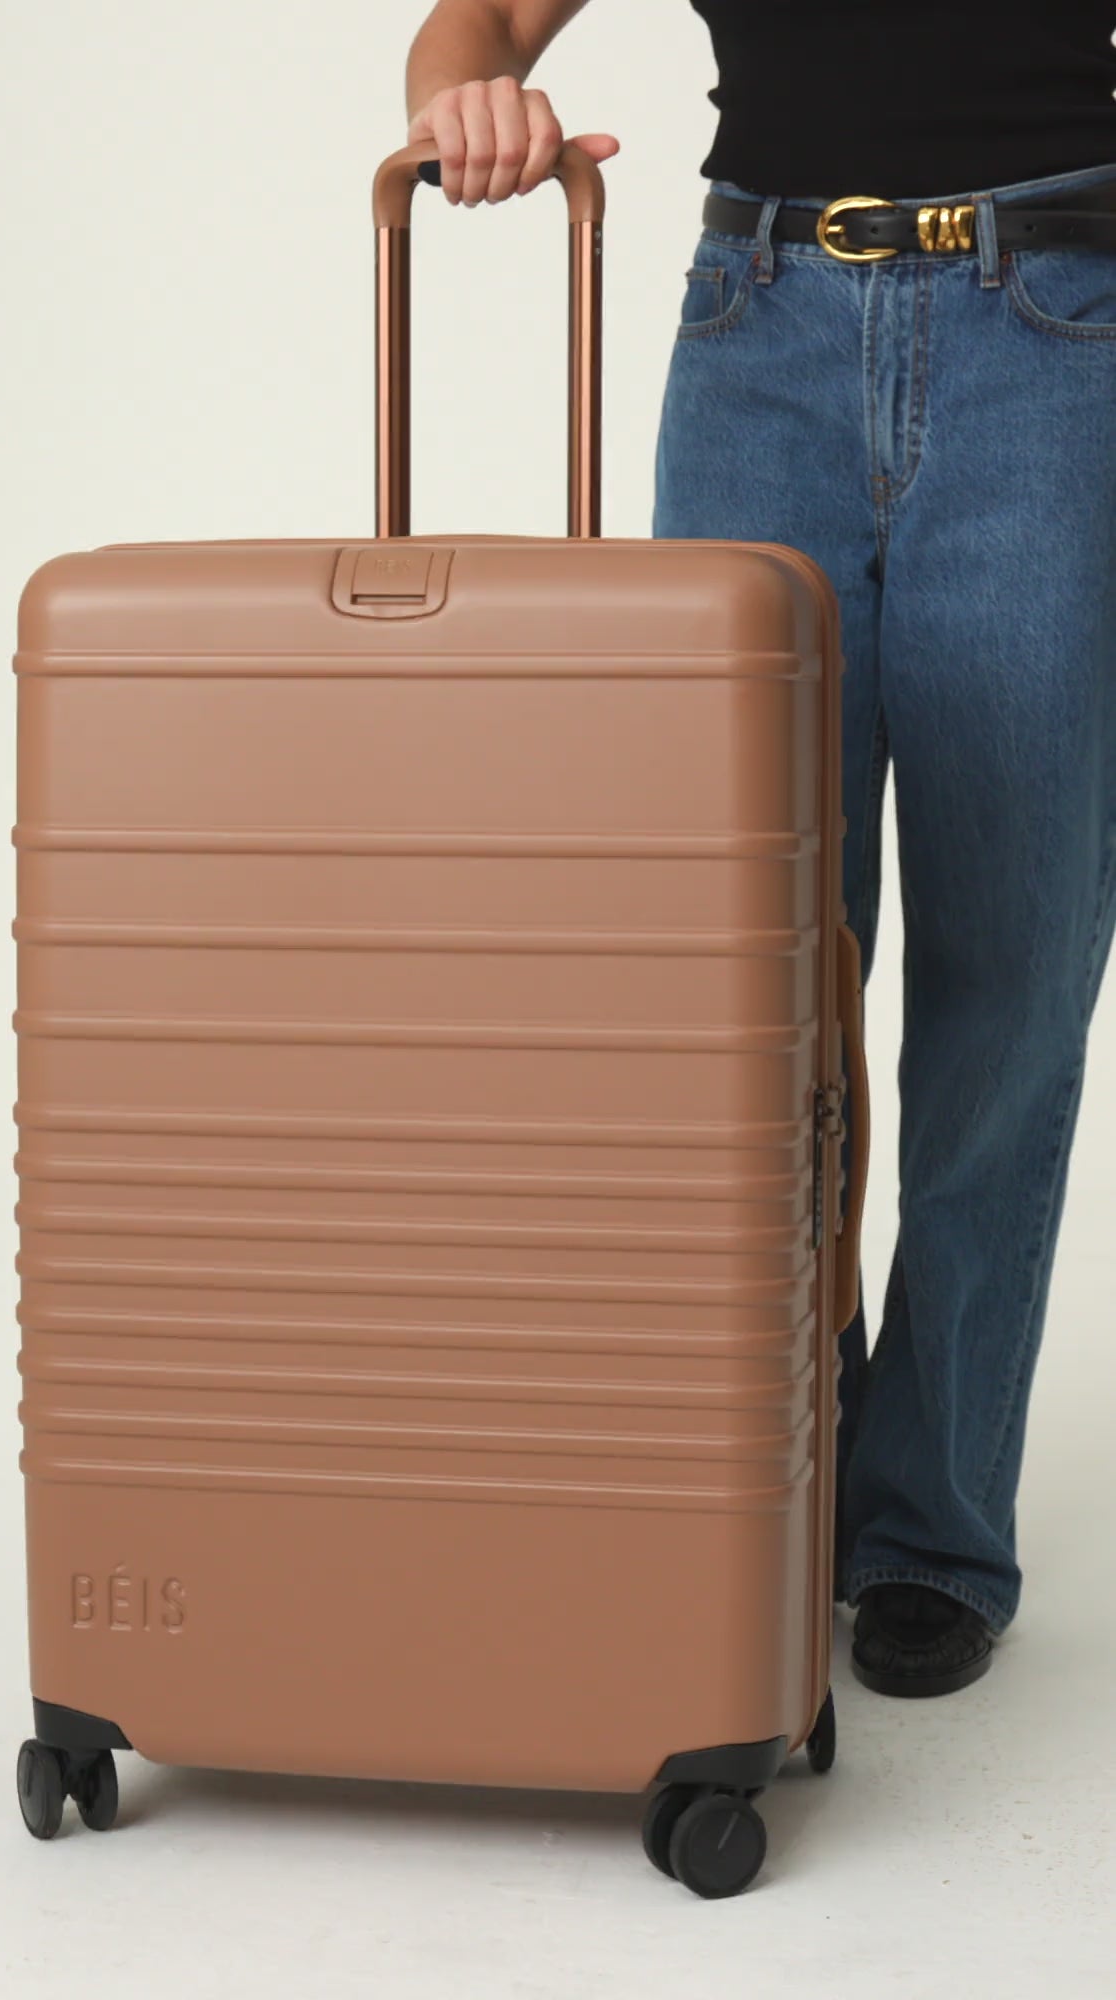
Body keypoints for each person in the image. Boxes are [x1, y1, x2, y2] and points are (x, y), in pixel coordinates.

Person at [403, 1, 1116, 1697]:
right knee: (752, 981)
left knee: (1007, 977)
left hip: (1057, 330)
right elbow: (477, 21)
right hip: (758, 328)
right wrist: (469, 98)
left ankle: (928, 1524)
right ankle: (772, 1474)